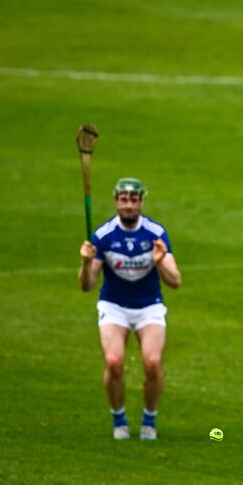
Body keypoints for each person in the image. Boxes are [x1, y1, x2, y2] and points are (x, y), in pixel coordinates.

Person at [78, 177, 182, 440]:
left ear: (141, 202)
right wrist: (84, 263)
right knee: (113, 362)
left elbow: (175, 281)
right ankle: (119, 420)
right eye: (123, 200)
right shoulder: (103, 236)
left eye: (133, 200)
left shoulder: (156, 234)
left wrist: (159, 261)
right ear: (115, 201)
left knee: (153, 362)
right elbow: (87, 285)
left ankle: (149, 420)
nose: (128, 206)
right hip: (114, 306)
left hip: (149, 306)